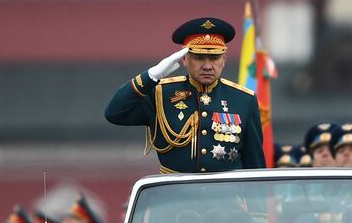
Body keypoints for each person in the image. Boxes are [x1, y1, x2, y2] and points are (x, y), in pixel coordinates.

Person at [105, 17, 265, 172]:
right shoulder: (161, 93)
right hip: (175, 195)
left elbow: (255, 164)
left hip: (225, 196)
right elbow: (115, 113)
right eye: (199, 58)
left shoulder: (244, 99)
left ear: (224, 58)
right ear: (184, 59)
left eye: (215, 58)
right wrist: (151, 76)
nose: (208, 66)